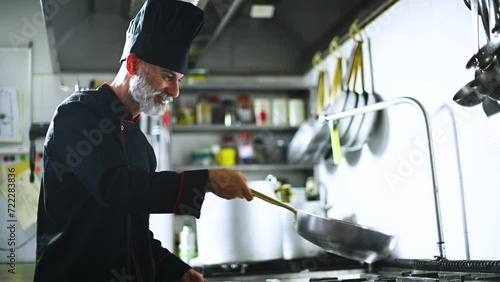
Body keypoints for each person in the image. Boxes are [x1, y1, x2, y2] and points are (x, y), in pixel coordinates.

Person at [33, 0, 253, 281]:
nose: (174, 91)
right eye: (167, 76)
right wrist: (206, 180)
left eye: (179, 80)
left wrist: (178, 271)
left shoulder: (141, 146)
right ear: (134, 64)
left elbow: (133, 231)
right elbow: (115, 187)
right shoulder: (78, 113)